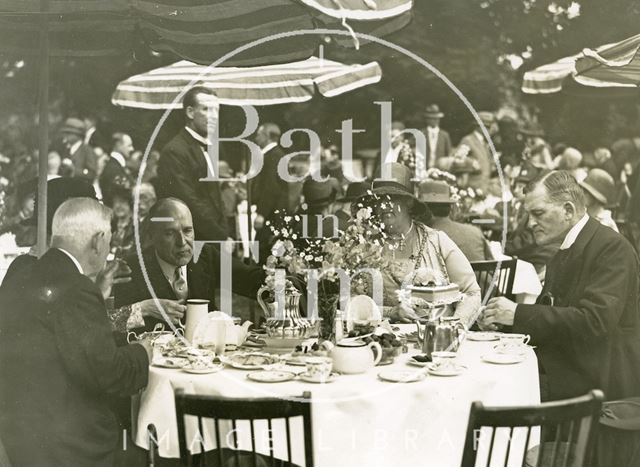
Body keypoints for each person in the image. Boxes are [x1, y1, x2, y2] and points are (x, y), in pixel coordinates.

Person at [0, 198, 152, 467]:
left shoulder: (21, 271)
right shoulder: (77, 289)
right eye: (109, 243)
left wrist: (97, 292)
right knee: (152, 454)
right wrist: (144, 350)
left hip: (18, 437)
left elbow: (59, 331)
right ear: (98, 240)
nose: (108, 251)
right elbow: (111, 375)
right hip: (68, 449)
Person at [481, 171, 640, 401]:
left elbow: (594, 322)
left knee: (496, 390)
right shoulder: (571, 246)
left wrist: (516, 314)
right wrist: (502, 321)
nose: (531, 224)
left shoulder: (613, 248)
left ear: (568, 210)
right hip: (574, 370)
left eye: (538, 214)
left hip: (599, 386)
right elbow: (554, 316)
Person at [114, 198, 265, 333]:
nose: (182, 242)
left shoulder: (204, 255)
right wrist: (143, 309)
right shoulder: (131, 268)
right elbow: (110, 324)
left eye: (187, 231)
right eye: (170, 233)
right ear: (152, 236)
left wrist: (282, 272)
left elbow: (252, 280)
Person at [364, 163, 481, 326]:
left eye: (393, 198)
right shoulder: (365, 248)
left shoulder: (436, 241)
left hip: (435, 341)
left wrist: (455, 328)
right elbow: (350, 302)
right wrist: (391, 313)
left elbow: (471, 293)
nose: (384, 205)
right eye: (379, 199)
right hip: (383, 342)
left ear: (409, 203)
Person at [157, 86, 230, 240]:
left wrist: (225, 232)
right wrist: (220, 236)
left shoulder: (207, 147)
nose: (213, 116)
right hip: (192, 240)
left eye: (216, 110)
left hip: (214, 239)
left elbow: (216, 198)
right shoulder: (175, 151)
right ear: (190, 112)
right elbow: (189, 202)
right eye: (206, 109)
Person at [418, 180, 493, 262]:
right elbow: (492, 264)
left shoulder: (426, 237)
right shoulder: (475, 232)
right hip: (479, 274)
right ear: (450, 208)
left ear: (424, 211)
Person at [251, 123, 293, 219]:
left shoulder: (273, 156)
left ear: (266, 136)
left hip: (272, 214)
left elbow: (271, 187)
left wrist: (261, 214)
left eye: (259, 134)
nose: (256, 138)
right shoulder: (274, 155)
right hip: (272, 212)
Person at [459, 111, 496, 191]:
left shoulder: (484, 143)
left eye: (489, 127)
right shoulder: (468, 140)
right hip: (472, 187)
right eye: (486, 127)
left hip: (484, 187)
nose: (488, 130)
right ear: (477, 126)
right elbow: (459, 158)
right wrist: (472, 163)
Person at [100, 132, 134, 206]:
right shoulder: (113, 168)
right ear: (118, 145)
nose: (132, 149)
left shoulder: (117, 166)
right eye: (129, 145)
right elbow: (123, 192)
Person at [580, 168, 619, 232]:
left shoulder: (606, 224)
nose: (583, 193)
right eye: (583, 189)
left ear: (598, 198)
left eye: (588, 192)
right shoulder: (584, 215)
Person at [423, 104, 452, 168]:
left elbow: (448, 153)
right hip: (423, 169)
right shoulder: (421, 133)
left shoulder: (445, 135)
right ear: (427, 120)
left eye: (436, 118)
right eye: (431, 118)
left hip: (440, 170)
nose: (434, 121)